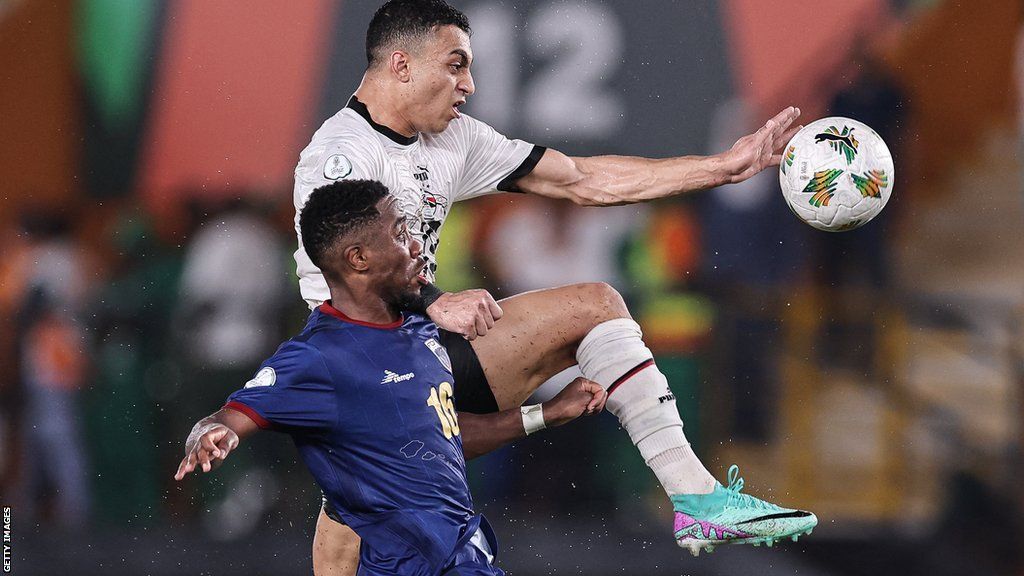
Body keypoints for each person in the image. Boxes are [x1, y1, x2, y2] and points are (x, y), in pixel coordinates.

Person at [293, 0, 816, 567]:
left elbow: (580, 179)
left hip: (425, 354)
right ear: (401, 65)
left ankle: (698, 499)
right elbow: (347, 267)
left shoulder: (452, 140)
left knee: (597, 305)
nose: (469, 84)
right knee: (349, 530)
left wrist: (722, 168)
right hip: (359, 370)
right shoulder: (341, 154)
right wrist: (434, 300)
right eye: (455, 65)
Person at [175, 180, 608, 575]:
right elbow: (230, 416)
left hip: (465, 559)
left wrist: (545, 414)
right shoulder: (318, 356)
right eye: (400, 233)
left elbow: (440, 437)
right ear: (359, 258)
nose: (417, 244)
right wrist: (213, 432)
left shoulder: (420, 329)